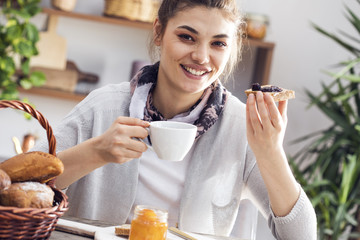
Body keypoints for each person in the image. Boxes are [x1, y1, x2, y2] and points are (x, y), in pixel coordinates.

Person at [35, 0, 317, 239]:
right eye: (187, 37)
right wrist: (95, 152)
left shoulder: (242, 125)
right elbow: (21, 189)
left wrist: (271, 154)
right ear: (159, 32)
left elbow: (302, 234)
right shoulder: (104, 107)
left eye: (218, 43)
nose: (201, 57)